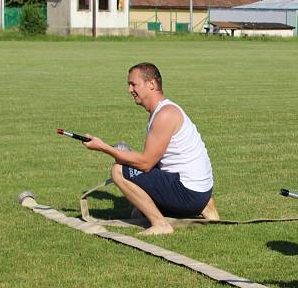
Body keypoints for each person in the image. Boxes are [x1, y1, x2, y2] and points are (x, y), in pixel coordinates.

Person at [83, 62, 219, 235]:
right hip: (197, 191)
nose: (129, 90)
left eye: (133, 84)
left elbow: (146, 164)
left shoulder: (165, 114)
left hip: (189, 194)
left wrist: (102, 147)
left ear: (152, 84)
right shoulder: (164, 110)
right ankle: (205, 205)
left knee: (119, 170)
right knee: (127, 159)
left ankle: (161, 225)